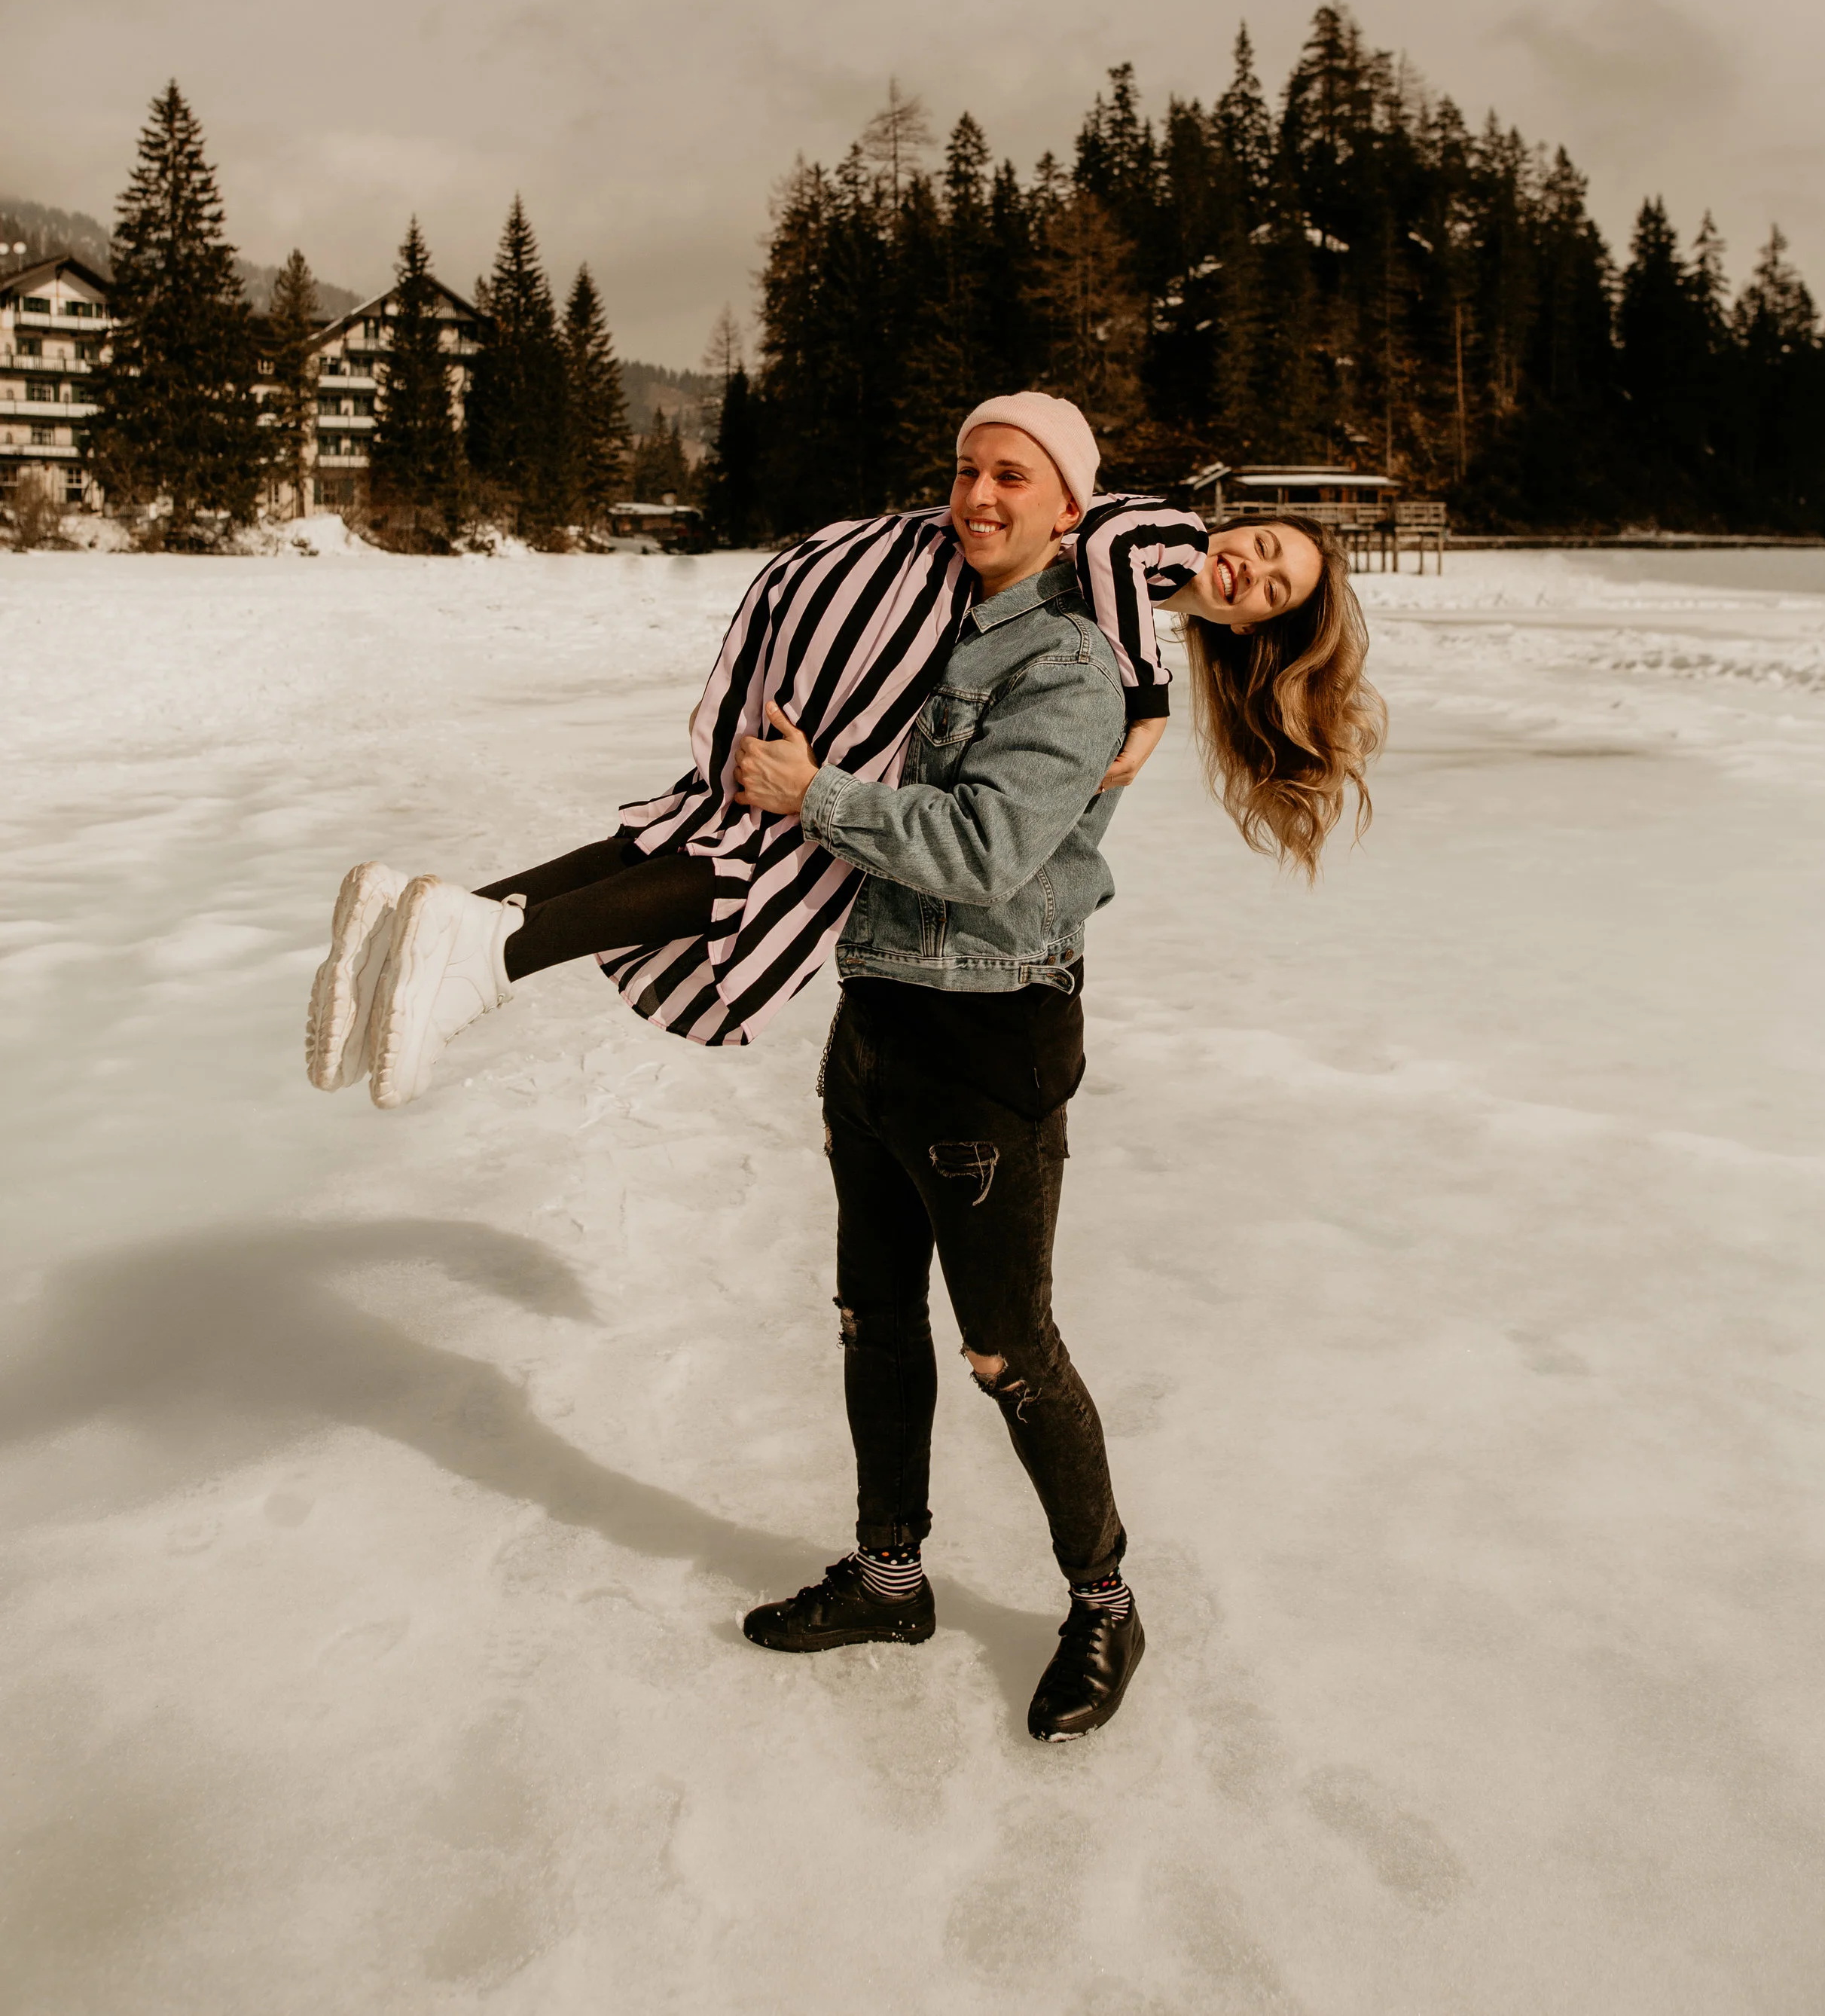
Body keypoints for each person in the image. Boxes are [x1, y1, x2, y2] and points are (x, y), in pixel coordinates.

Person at [303, 393, 1383, 1743]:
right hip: (877, 1017)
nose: (1249, 567)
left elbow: (983, 848)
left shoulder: (1083, 664)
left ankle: (1104, 1598)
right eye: (1261, 544)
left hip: (987, 1042)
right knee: (875, 1317)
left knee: (1008, 1348)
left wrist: (810, 792)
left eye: (1274, 582)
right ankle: (890, 1576)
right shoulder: (973, 599)